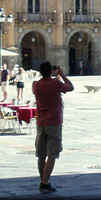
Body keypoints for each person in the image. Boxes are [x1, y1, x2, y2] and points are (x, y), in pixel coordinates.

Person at [32, 61, 74, 192]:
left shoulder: (35, 85)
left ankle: (43, 180)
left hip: (40, 122)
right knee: (52, 153)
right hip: (54, 122)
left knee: (41, 154)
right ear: (51, 71)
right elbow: (71, 87)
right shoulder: (56, 84)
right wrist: (62, 75)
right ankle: (45, 183)